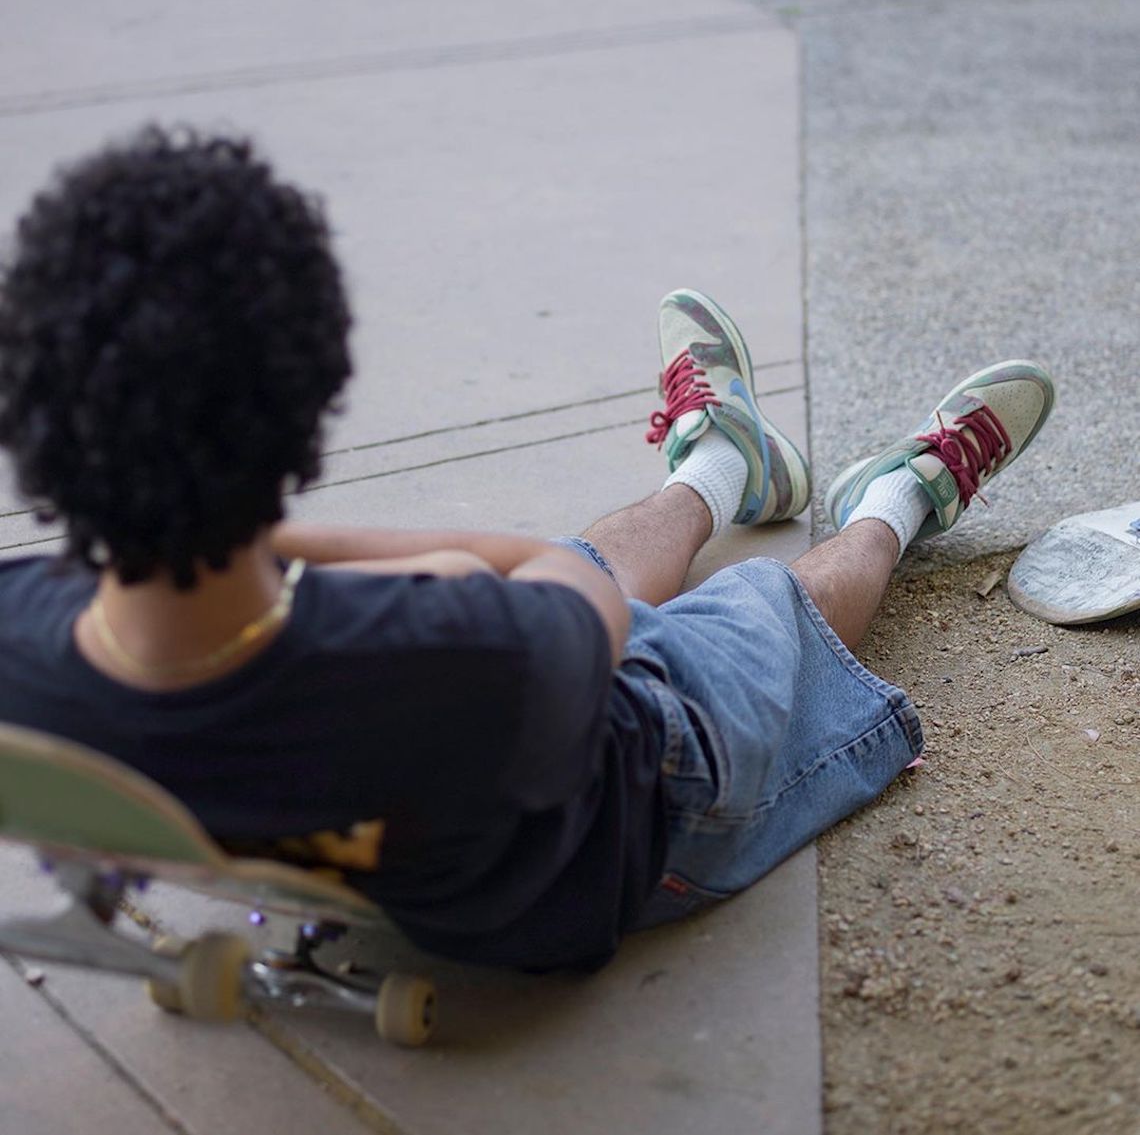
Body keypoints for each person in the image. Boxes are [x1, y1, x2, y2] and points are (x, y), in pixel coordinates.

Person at [0, 127, 1055, 971]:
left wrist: (214, 527)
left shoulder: (19, 639)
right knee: (757, 612)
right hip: (613, 838)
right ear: (302, 404)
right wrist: (381, 551)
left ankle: (722, 465)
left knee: (583, 588)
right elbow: (550, 586)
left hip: (364, 848)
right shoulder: (448, 638)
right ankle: (897, 501)